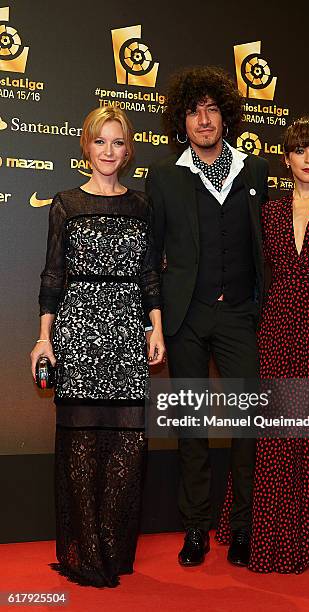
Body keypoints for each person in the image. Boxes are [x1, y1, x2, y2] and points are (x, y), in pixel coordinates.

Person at [216, 116, 309, 573]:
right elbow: (250, 268)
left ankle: (308, 545)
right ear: (286, 158)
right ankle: (269, 540)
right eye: (300, 150)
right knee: (275, 437)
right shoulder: (270, 211)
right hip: (277, 328)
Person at [30, 107, 164, 587]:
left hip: (128, 331)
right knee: (81, 448)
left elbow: (150, 274)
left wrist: (156, 326)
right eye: (100, 142)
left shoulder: (142, 206)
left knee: (128, 445)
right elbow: (53, 276)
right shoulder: (65, 203)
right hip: (78, 331)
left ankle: (110, 546)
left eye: (118, 143)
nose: (109, 151)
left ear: (129, 151)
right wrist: (44, 339)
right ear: (86, 146)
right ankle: (86, 555)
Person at [146, 66, 269, 567]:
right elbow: (151, 255)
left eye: (212, 108)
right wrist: (154, 321)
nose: (203, 119)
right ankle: (196, 528)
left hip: (240, 314)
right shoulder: (164, 175)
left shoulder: (254, 170)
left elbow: (268, 242)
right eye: (194, 110)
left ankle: (240, 527)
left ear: (226, 115)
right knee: (190, 425)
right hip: (186, 318)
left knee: (247, 425)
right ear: (182, 119)